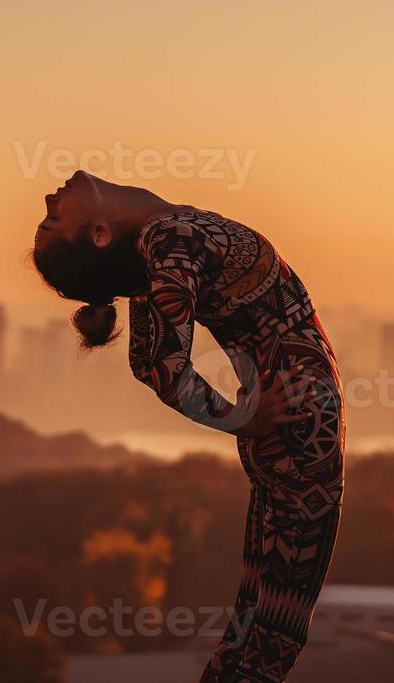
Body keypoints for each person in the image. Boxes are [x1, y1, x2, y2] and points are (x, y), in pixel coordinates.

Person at [32, 170, 345, 681]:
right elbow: (161, 365)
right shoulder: (167, 240)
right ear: (99, 233)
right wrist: (246, 417)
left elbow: (150, 360)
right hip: (300, 431)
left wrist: (246, 419)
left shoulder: (155, 247)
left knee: (258, 619)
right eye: (52, 217)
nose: (50, 197)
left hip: (291, 432)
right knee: (274, 629)